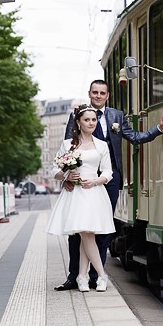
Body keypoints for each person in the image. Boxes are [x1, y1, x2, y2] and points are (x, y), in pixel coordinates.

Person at [54, 79, 163, 291]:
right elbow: (69, 149)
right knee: (77, 230)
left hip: (109, 179)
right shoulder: (76, 115)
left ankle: (96, 276)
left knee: (104, 229)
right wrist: (68, 178)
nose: (98, 96)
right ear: (89, 93)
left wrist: (158, 129)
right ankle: (74, 276)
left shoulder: (116, 116)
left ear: (107, 96)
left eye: (102, 93)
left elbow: (134, 137)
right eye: (94, 92)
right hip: (80, 180)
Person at [45, 104, 114, 292]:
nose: (91, 123)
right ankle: (101, 275)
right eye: (86, 120)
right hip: (75, 194)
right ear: (78, 122)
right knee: (85, 233)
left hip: (94, 192)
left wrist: (96, 181)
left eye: (93, 120)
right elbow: (54, 170)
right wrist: (66, 176)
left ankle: (83, 277)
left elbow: (108, 171)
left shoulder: (101, 145)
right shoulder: (68, 145)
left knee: (87, 234)